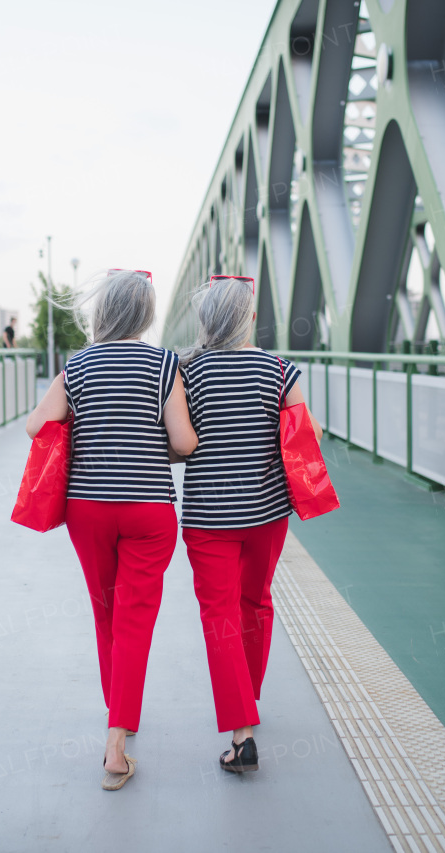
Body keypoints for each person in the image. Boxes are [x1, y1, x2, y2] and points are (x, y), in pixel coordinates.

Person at [24, 269, 198, 791]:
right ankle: (116, 744)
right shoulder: (165, 364)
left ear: (103, 312)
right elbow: (185, 444)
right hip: (149, 512)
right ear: (144, 314)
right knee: (135, 621)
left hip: (88, 509)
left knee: (106, 612)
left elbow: (36, 426)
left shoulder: (76, 366)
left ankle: (118, 715)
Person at [176, 275, 321, 774]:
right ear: (250, 319)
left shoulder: (187, 371)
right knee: (256, 602)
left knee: (219, 614)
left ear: (204, 321)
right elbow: (308, 432)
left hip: (208, 518)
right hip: (266, 514)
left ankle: (241, 732)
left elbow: (179, 443)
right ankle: (248, 705)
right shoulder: (279, 369)